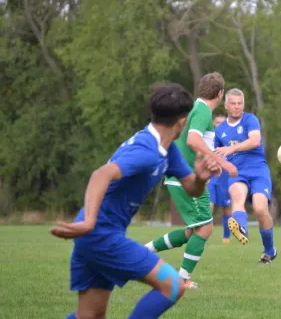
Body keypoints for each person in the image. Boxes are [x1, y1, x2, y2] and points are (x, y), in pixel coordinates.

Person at [50, 83, 222, 319]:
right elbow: (101, 174)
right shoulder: (147, 150)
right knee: (173, 285)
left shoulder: (166, 148)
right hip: (101, 234)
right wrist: (90, 222)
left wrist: (201, 178)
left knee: (90, 315)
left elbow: (191, 187)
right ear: (182, 122)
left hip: (97, 235)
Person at [145, 73, 237, 289]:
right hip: (186, 177)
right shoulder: (203, 110)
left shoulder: (197, 108)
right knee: (204, 228)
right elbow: (192, 140)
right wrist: (220, 161)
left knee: (191, 231)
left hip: (188, 176)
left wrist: (208, 162)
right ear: (221, 93)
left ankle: (143, 252)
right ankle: (182, 280)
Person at [214, 88, 277, 263]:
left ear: (243, 105)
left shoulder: (250, 119)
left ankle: (270, 251)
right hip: (237, 171)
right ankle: (241, 228)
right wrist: (217, 165)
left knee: (259, 209)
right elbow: (216, 154)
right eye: (233, 103)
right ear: (226, 105)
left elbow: (255, 140)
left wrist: (232, 148)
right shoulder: (220, 131)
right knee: (237, 196)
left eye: (239, 103)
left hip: (258, 170)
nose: (236, 107)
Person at [208, 112, 233, 243]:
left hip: (226, 178)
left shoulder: (230, 141)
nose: (219, 125)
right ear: (213, 123)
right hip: (211, 178)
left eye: (222, 123)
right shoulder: (208, 139)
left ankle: (226, 238)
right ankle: (203, 236)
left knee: (226, 209)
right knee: (208, 206)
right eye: (217, 122)